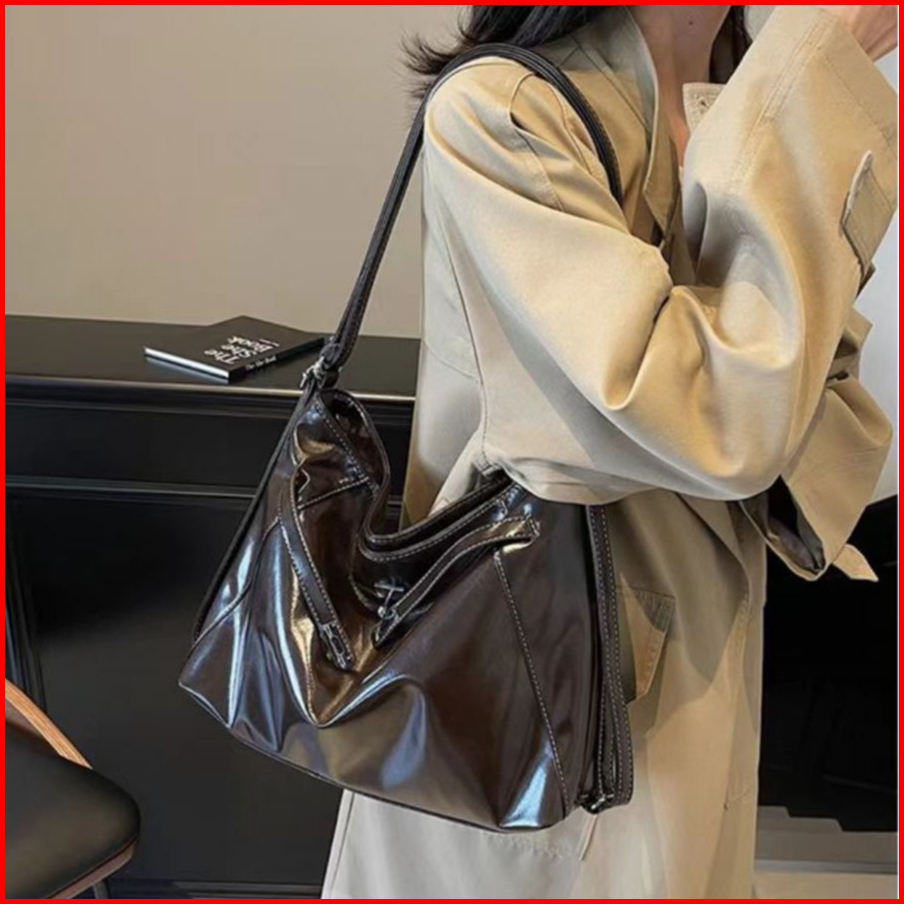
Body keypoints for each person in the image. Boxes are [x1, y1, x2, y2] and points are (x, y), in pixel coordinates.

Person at [322, 5, 898, 898]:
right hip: (539, 714)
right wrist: (816, 64)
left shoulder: (735, 96)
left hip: (697, 688)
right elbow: (731, 420)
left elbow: (819, 404)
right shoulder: (504, 112)